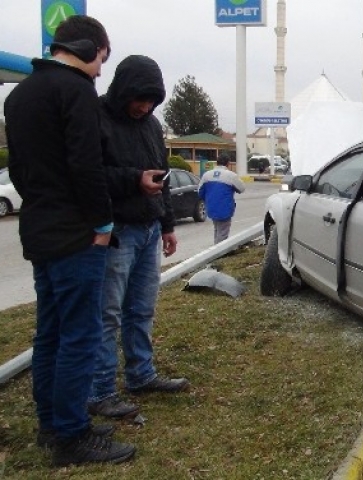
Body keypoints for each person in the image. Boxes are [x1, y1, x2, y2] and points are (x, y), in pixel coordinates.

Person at [3, 15, 136, 466]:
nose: (101, 70)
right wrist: (101, 224)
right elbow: (86, 166)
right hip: (78, 234)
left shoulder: (20, 95)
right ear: (88, 48)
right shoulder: (76, 91)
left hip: (40, 229)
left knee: (51, 334)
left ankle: (53, 424)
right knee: (80, 335)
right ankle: (72, 437)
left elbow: (18, 171)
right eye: (103, 58)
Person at [87, 55, 190, 420]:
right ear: (124, 91)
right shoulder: (97, 117)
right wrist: (134, 179)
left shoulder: (151, 124)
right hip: (116, 230)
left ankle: (140, 374)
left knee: (141, 309)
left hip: (148, 229)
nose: (143, 107)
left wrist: (167, 225)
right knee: (107, 313)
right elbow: (90, 174)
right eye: (139, 99)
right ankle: (99, 391)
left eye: (150, 101)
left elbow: (161, 178)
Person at [198, 155, 246, 244]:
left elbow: (200, 192)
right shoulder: (231, 175)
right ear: (228, 163)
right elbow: (242, 188)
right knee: (223, 234)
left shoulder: (206, 175)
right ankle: (218, 254)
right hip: (225, 209)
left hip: (211, 208)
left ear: (216, 162)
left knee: (217, 230)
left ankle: (215, 250)